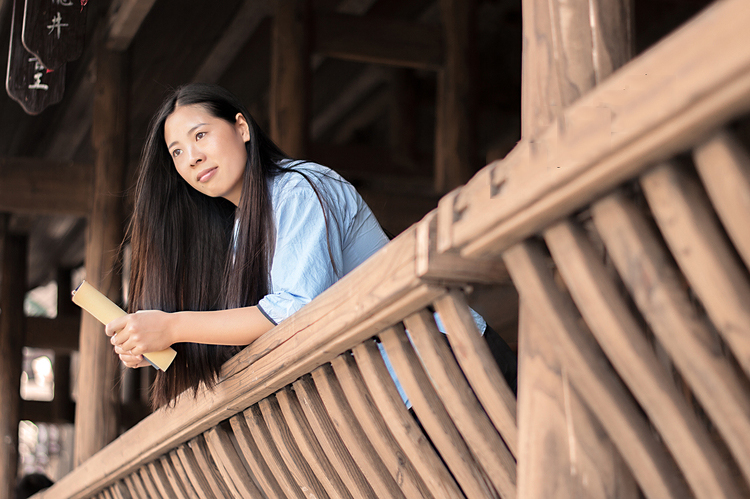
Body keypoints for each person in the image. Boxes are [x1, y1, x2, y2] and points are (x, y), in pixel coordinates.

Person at [106, 83, 390, 408]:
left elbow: (295, 312)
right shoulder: (243, 229)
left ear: (241, 128)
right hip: (382, 392)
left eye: (200, 135)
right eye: (177, 152)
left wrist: (173, 326)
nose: (193, 158)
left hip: (428, 363)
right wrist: (160, 342)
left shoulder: (297, 189)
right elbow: (256, 325)